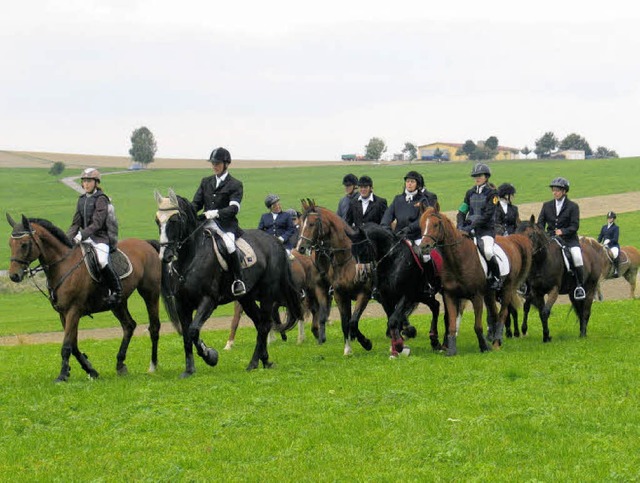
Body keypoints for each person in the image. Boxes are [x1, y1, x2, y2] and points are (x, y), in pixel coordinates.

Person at [192, 147, 246, 297]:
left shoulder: (235, 184)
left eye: (217, 163)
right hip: (206, 224)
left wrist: (215, 213)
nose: (214, 166)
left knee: (229, 245)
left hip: (225, 225)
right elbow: (196, 204)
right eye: (213, 163)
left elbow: (234, 209)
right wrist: (185, 210)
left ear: (226, 164)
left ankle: (238, 280)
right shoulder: (206, 182)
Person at [67, 168, 122, 306]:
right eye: (84, 181)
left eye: (89, 181)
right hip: (85, 239)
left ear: (96, 183)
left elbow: (97, 223)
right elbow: (75, 223)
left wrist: (81, 235)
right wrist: (67, 239)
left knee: (102, 261)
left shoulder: (101, 199)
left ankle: (117, 291)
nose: (86, 184)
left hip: (100, 239)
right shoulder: (81, 200)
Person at [537, 177, 586, 300]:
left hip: (569, 239)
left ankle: (579, 286)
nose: (555, 192)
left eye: (558, 190)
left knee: (577, 257)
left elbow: (575, 225)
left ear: (564, 191)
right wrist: (542, 233)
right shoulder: (546, 205)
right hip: (550, 238)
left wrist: (563, 231)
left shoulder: (573, 206)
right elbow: (540, 223)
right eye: (553, 190)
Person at [456, 163, 502, 291]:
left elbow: (487, 215)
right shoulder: (469, 193)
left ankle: (496, 278)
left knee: (487, 251)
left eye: (480, 176)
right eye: (475, 176)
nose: (477, 178)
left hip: (486, 230)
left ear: (486, 177)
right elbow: (462, 210)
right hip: (469, 229)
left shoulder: (492, 193)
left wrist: (471, 226)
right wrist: (460, 224)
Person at [381, 170, 436, 240]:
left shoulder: (423, 200)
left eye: (412, 182)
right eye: (407, 181)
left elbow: (422, 218)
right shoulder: (397, 199)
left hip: (416, 237)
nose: (409, 184)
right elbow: (388, 215)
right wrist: (385, 228)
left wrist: (409, 228)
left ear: (417, 184)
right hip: (398, 236)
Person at [598, 211, 620, 277]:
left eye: (611, 218)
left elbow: (615, 239)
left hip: (613, 245)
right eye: (608, 218)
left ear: (613, 219)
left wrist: (609, 241)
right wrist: (597, 243)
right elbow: (600, 237)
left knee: (614, 254)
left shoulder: (616, 228)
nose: (609, 219)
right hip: (604, 245)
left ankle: (616, 270)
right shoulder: (604, 227)